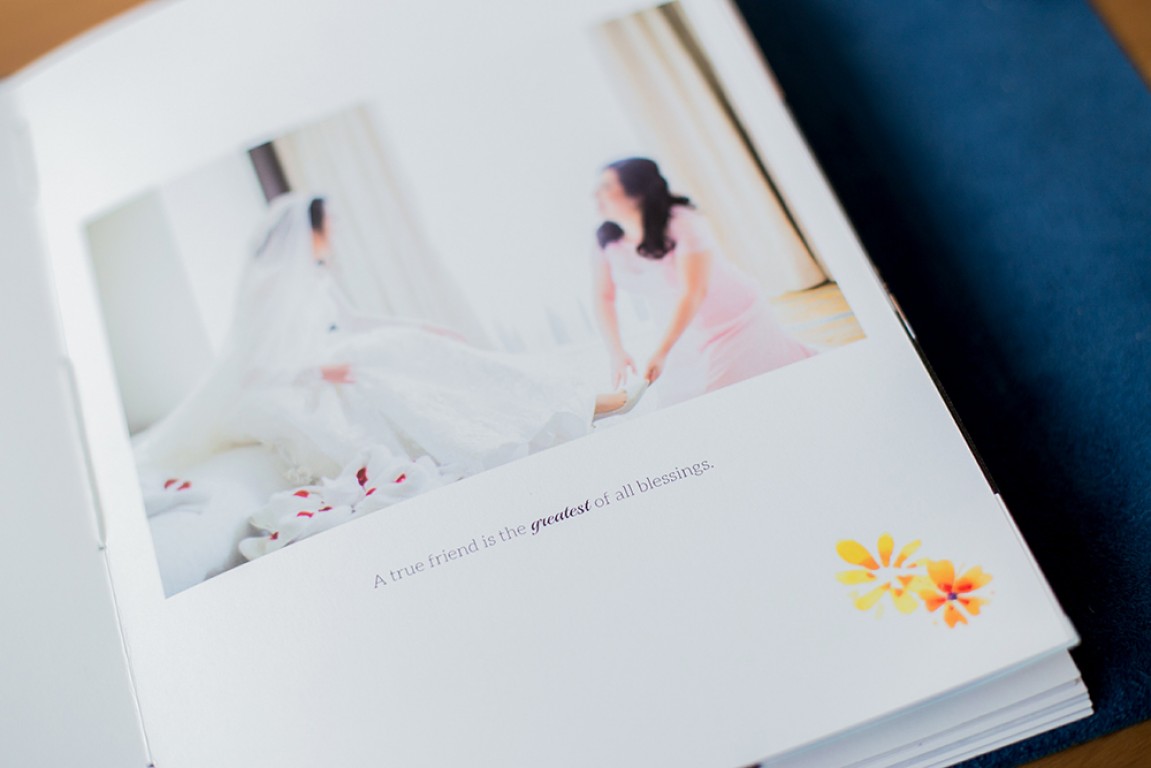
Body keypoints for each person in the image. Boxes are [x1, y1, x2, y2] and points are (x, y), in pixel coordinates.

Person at [135, 193, 628, 486]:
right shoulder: (267, 284)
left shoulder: (314, 274)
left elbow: (353, 320)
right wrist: (318, 370)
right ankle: (534, 421)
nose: (337, 230)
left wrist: (422, 327)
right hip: (297, 378)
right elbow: (252, 364)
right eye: (332, 223)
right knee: (383, 373)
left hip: (330, 361)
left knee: (408, 348)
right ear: (309, 228)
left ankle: (560, 403)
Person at [592, 157, 814, 407]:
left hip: (731, 321)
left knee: (729, 398)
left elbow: (693, 291)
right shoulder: (606, 239)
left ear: (637, 192)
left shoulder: (681, 221)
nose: (595, 194)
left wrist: (662, 351)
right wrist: (616, 351)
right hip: (680, 329)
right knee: (679, 399)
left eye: (606, 187)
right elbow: (603, 297)